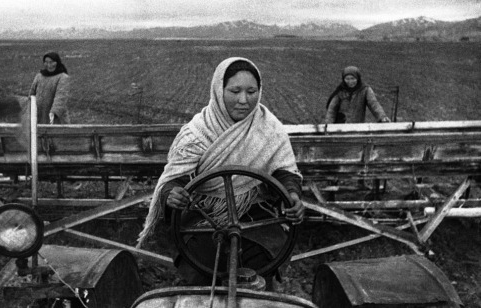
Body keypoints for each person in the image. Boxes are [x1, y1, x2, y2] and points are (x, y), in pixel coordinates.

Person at [137, 57, 305, 289]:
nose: (244, 100)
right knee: (201, 266)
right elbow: (174, 180)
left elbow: (285, 171)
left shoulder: (269, 128)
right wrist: (172, 193)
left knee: (264, 263)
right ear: (219, 90)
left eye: (251, 91)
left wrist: (292, 194)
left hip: (256, 214)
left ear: (260, 91)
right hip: (203, 216)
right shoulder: (196, 133)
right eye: (235, 91)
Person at [325, 66, 390, 124]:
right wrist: (328, 124)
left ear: (358, 78)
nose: (350, 81)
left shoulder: (365, 90)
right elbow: (332, 109)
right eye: (347, 79)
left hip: (357, 124)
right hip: (340, 124)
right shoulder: (340, 91)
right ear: (343, 79)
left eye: (353, 78)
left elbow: (374, 104)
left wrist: (382, 117)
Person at [28, 52, 71, 124]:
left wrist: (54, 112)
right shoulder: (39, 76)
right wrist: (30, 109)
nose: (49, 65)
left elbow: (61, 97)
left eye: (51, 62)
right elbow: (32, 94)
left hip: (55, 117)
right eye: (46, 62)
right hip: (39, 116)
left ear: (57, 62)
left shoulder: (63, 77)